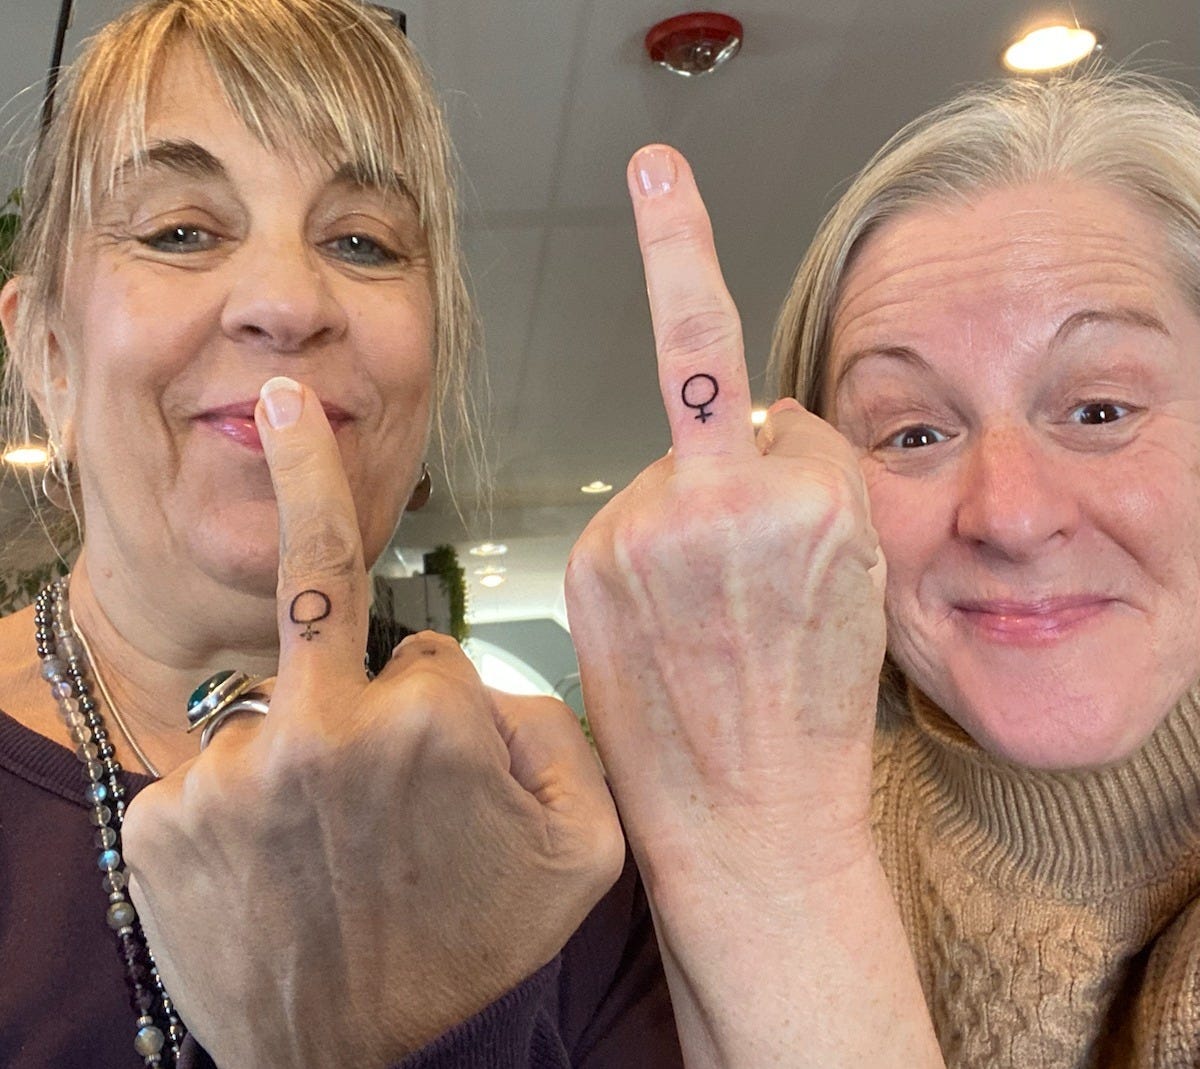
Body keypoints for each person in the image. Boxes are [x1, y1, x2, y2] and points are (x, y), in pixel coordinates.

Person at [0, 2, 681, 1066]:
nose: (284, 301)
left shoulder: (558, 833)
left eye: (362, 241)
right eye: (181, 230)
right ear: (47, 352)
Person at [566, 71, 1200, 1068]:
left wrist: (779, 886)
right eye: (912, 431)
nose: (1012, 514)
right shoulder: (646, 902)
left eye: (1099, 409)